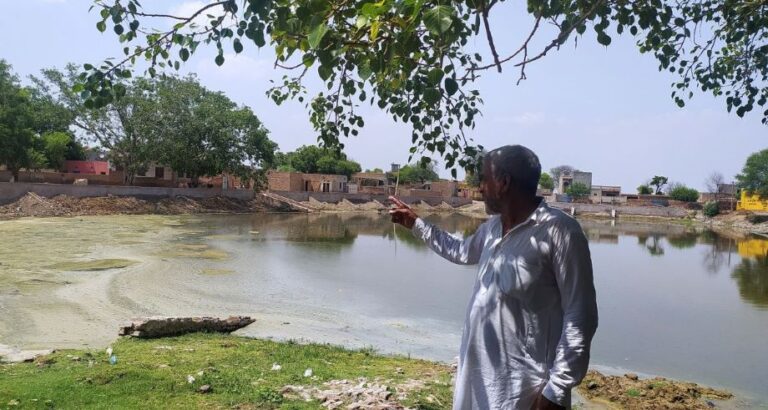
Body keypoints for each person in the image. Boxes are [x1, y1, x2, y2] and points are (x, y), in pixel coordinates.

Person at [389, 145, 598, 409]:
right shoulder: (492, 229)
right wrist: (416, 225)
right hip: (478, 386)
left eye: (484, 179)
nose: (479, 188)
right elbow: (461, 252)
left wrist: (555, 391)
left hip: (524, 392)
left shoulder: (560, 232)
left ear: (503, 183)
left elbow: (581, 316)